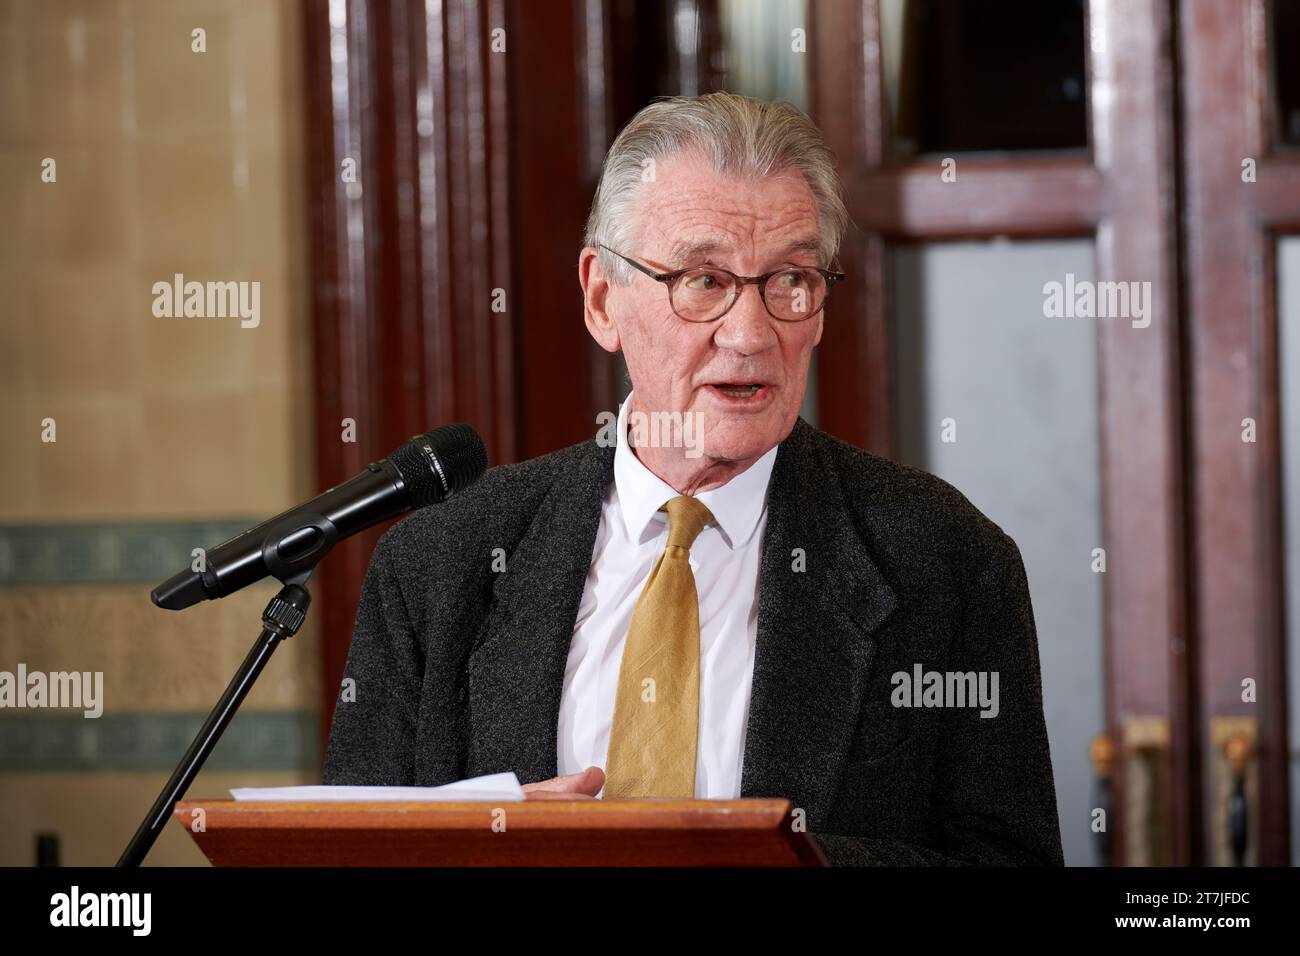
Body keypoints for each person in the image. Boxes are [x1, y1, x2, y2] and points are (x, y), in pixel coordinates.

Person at [324, 91, 1064, 866]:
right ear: (604, 299)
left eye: (790, 280)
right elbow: (345, 854)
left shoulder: (944, 560)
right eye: (704, 281)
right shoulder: (439, 563)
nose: (750, 335)